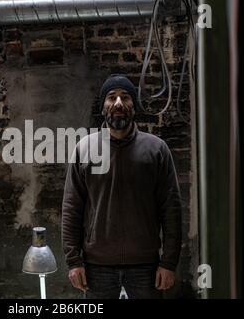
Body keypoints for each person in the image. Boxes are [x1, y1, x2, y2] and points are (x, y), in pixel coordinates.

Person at [61, 74, 182, 299]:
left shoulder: (156, 149)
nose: (118, 103)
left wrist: (169, 262)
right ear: (103, 106)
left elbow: (171, 209)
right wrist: (73, 261)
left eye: (125, 97)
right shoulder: (84, 149)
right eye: (111, 97)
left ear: (133, 105)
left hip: (146, 267)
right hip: (97, 268)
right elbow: (71, 208)